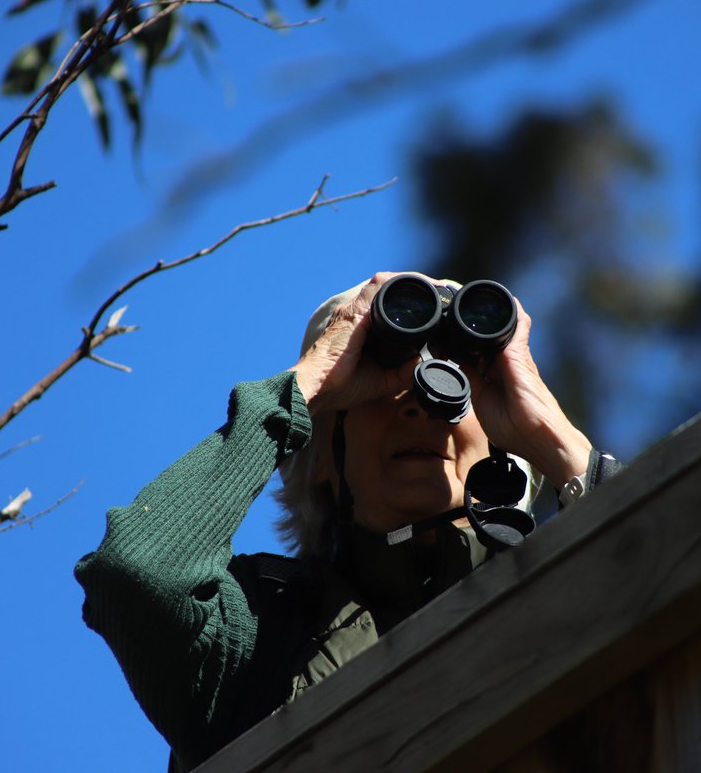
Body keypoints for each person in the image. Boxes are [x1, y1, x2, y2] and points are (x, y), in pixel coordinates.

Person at [75, 272, 618, 771]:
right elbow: (138, 571)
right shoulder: (261, 634)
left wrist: (558, 440)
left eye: (456, 382)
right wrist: (308, 383)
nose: (421, 406)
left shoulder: (556, 592)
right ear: (322, 465)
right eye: (382, 385)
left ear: (500, 443)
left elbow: (678, 561)